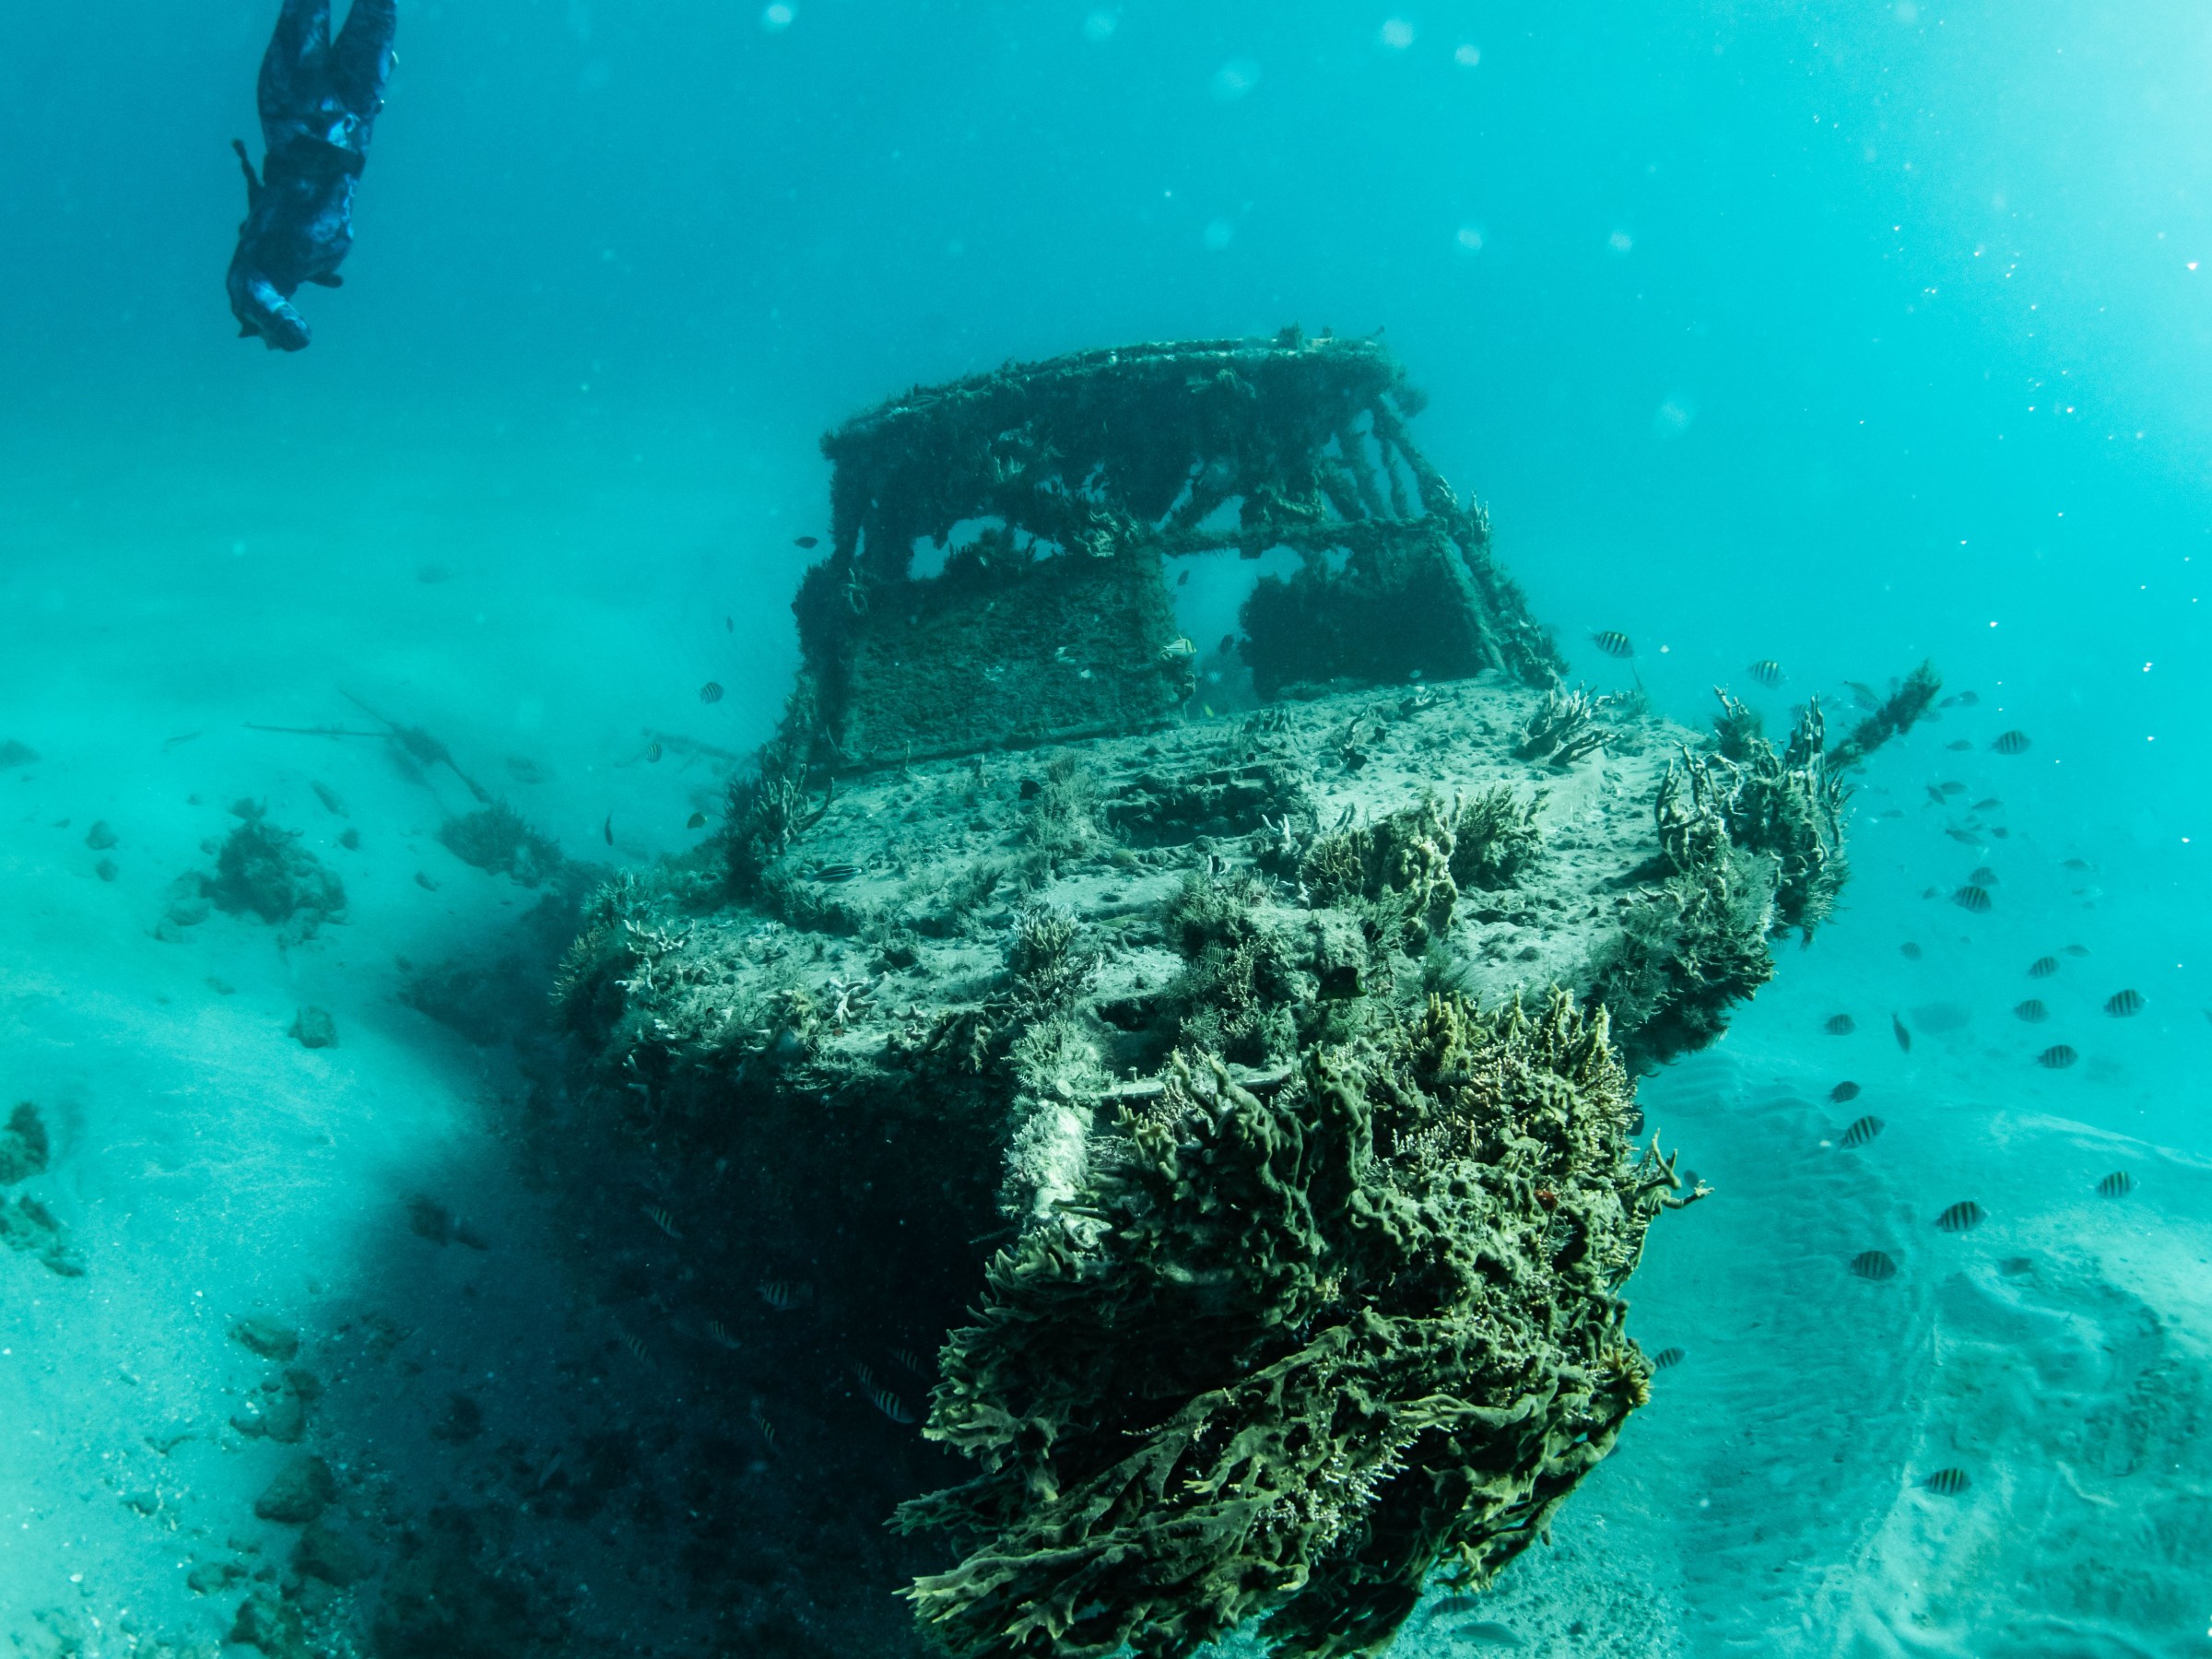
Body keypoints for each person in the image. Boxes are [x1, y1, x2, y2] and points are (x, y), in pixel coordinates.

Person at [227, 0, 396, 351]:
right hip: (347, 115)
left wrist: (263, 321)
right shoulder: (307, 260)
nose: (267, 345)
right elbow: (290, 331)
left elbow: (292, 333)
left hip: (298, 111)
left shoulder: (250, 279)